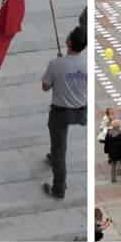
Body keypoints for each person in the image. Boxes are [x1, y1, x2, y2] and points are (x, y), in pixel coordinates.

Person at [41, 25, 87, 200]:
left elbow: (45, 87)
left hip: (60, 112)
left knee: (59, 149)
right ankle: (54, 156)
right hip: (81, 110)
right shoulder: (87, 64)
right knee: (59, 145)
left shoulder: (56, 64)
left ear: (68, 42)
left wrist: (59, 68)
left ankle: (58, 188)